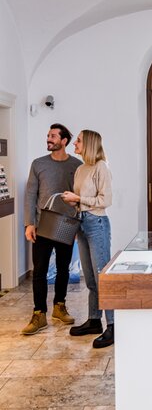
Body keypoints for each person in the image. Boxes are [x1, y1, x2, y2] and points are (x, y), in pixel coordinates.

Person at [22, 123, 81, 335]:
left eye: (53, 136)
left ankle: (59, 306)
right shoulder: (38, 164)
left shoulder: (77, 165)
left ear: (64, 141)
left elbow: (80, 196)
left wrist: (77, 227)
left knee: (63, 269)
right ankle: (39, 314)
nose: (49, 139)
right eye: (48, 135)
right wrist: (29, 223)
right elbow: (30, 194)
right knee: (39, 271)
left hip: (66, 225)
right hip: (41, 226)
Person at [62, 129, 114, 349]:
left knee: (103, 277)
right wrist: (74, 203)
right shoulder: (80, 169)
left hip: (97, 224)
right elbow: (84, 200)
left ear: (90, 144)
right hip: (81, 223)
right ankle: (94, 321)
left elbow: (105, 200)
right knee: (91, 279)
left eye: (79, 141)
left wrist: (79, 198)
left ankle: (112, 325)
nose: (75, 144)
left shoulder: (101, 167)